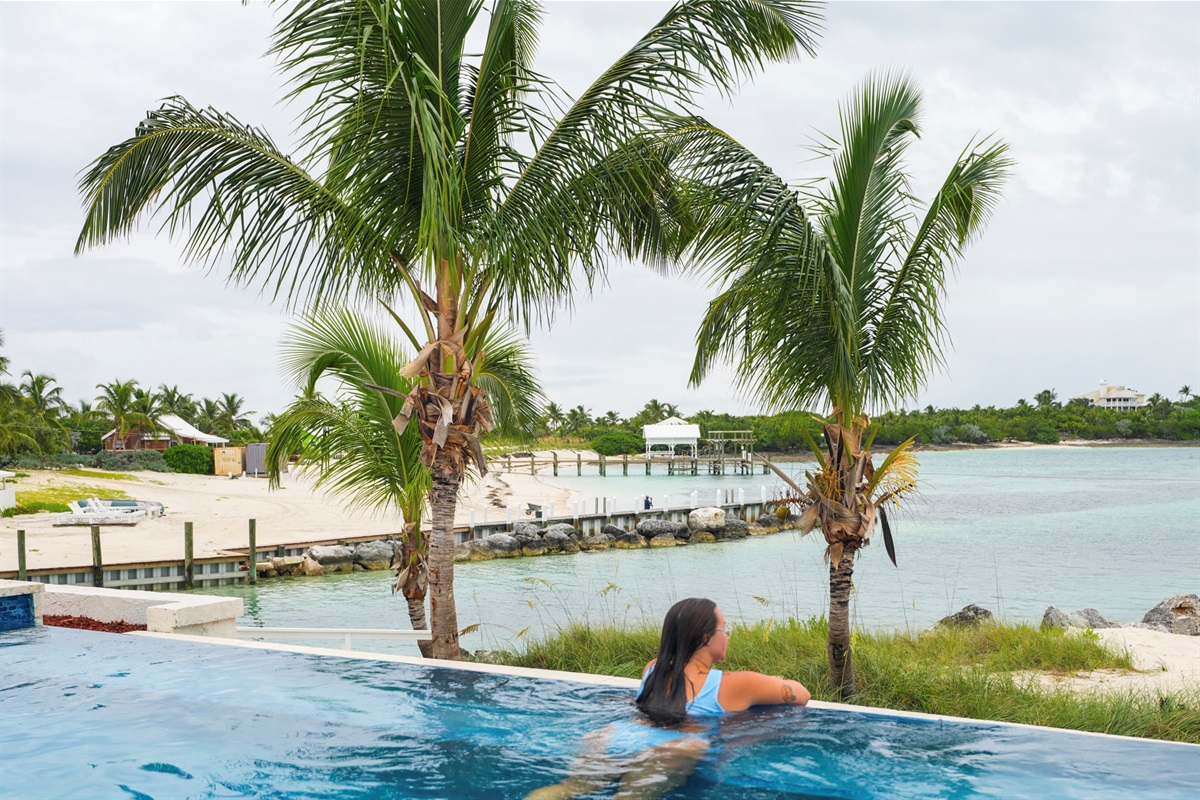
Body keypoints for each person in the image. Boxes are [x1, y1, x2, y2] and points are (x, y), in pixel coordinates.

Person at [526, 598, 810, 800]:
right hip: (678, 748)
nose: (728, 637)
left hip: (617, 735)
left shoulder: (652, 669)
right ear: (706, 638)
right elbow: (802, 695)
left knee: (566, 789)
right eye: (725, 630)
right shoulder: (738, 684)